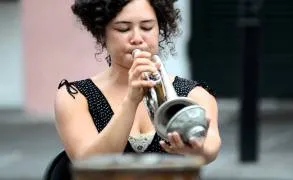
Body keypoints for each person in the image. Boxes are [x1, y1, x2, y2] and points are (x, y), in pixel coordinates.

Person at [54, 0, 221, 167]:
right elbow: (88, 164)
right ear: (101, 33)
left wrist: (197, 149)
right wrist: (131, 101)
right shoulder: (75, 96)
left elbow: (211, 148)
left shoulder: (194, 94)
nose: (137, 38)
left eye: (147, 27)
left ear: (159, 29)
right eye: (123, 29)